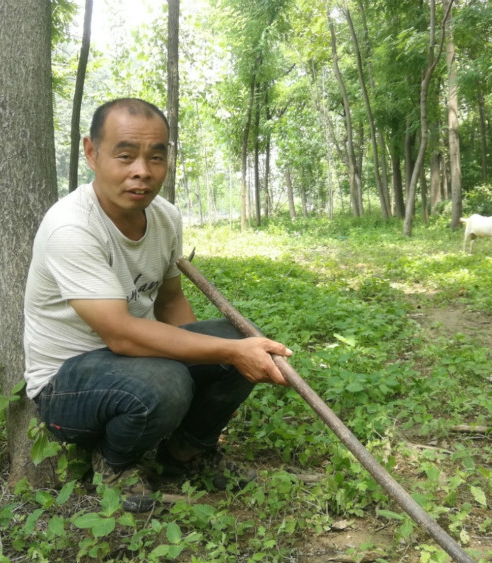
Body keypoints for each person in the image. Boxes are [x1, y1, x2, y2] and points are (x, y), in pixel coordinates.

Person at [23, 97, 292, 512]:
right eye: (125, 155)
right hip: (66, 384)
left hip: (134, 359)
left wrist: (216, 361)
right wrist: (228, 355)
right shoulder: (71, 228)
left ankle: (186, 451)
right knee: (169, 382)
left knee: (241, 337)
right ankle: (115, 465)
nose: (142, 172)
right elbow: (121, 334)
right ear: (92, 153)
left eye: (156, 157)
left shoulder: (164, 217)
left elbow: (170, 301)